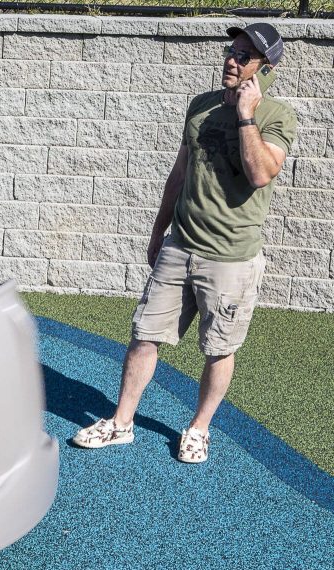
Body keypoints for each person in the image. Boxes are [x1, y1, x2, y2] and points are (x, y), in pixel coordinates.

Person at [73, 23, 297, 463]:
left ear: (264, 69)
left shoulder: (276, 116)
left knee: (219, 348)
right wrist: (159, 232)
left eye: (244, 56)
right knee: (144, 335)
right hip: (181, 245)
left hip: (231, 258)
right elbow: (180, 172)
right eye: (231, 50)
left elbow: (260, 173)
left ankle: (199, 428)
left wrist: (246, 114)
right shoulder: (200, 106)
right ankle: (121, 423)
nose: (232, 60)